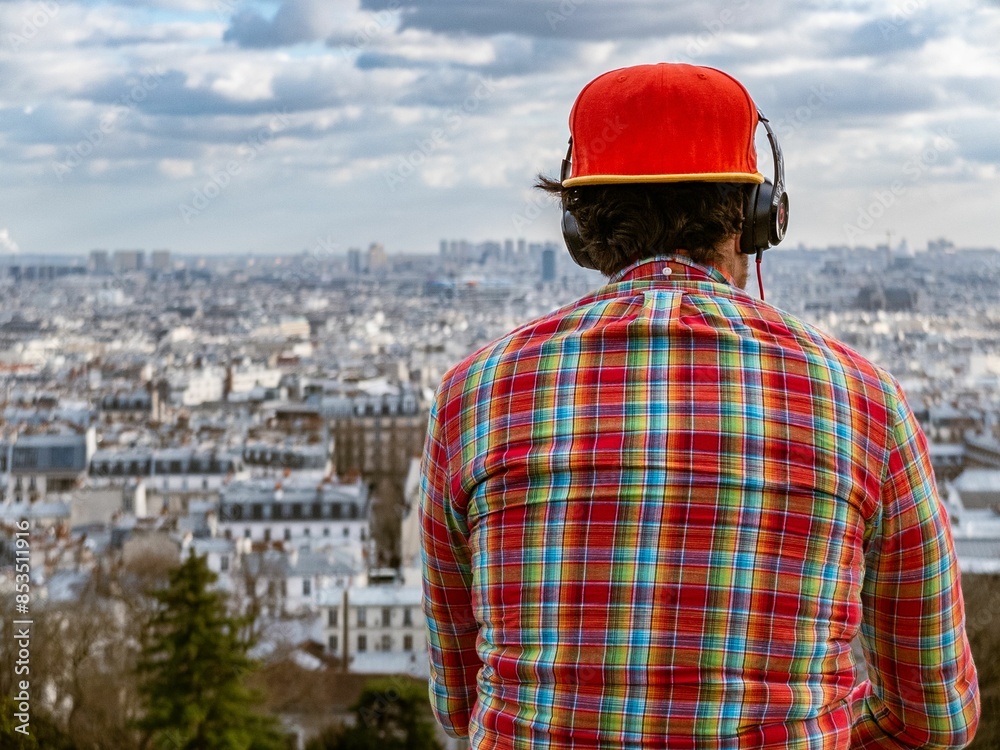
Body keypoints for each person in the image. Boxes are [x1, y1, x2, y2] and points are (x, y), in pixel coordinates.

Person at [419, 62, 979, 749]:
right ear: (758, 216)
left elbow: (460, 703)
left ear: (579, 221)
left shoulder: (474, 397)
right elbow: (937, 719)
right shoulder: (864, 402)